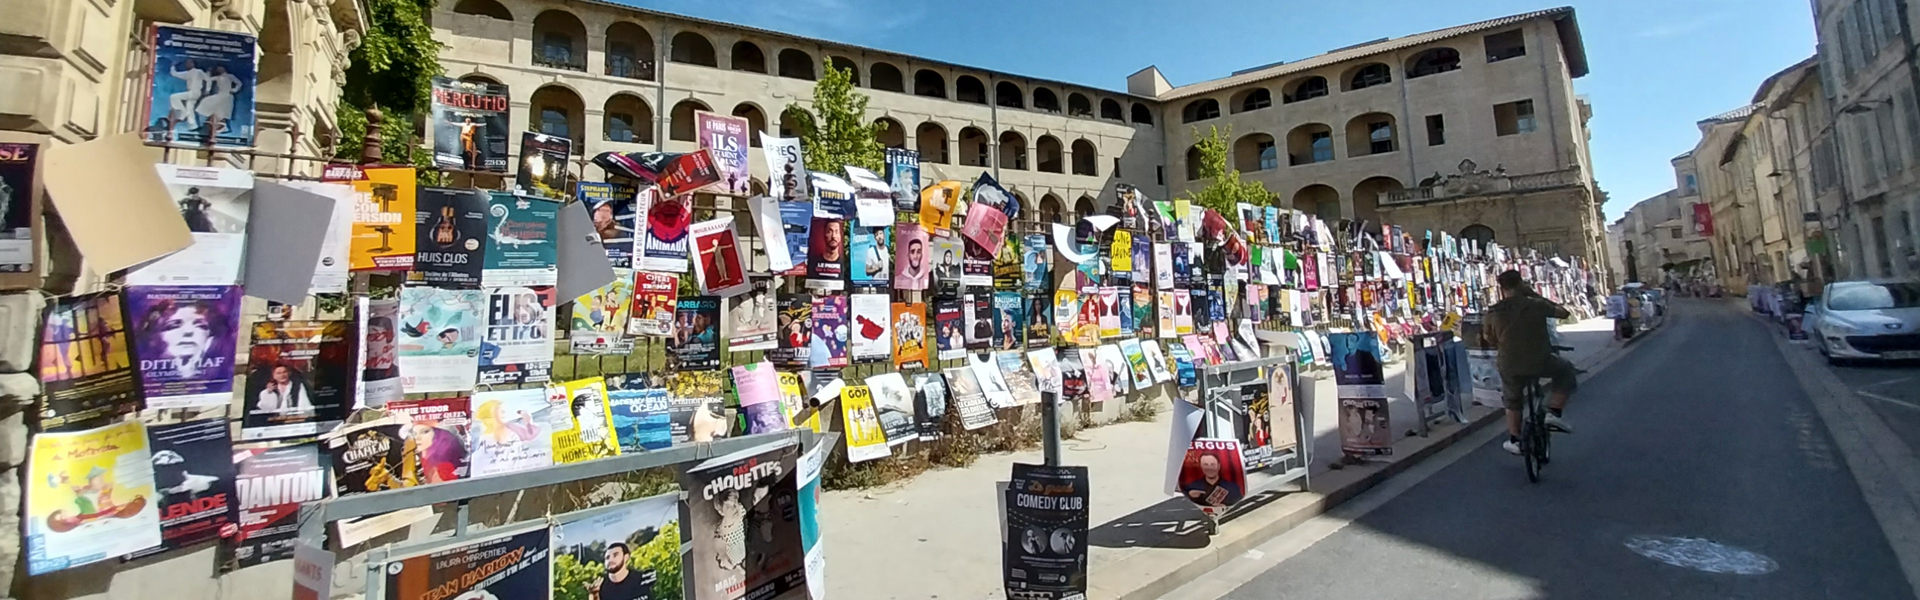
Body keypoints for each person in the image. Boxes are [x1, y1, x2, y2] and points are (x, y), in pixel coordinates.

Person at [1483, 270, 1576, 455]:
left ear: (1501, 288)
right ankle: (1554, 412)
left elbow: (1489, 338)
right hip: (1540, 360)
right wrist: (1533, 294)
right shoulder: (1535, 305)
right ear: (1521, 284)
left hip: (1509, 364)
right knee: (1566, 370)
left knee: (1511, 399)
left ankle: (1515, 439)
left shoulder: (1493, 312)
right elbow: (1564, 313)